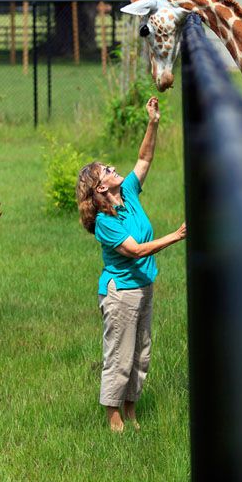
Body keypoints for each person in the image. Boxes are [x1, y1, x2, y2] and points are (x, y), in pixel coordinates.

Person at [75, 97, 186, 433]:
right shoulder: (105, 223)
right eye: (107, 170)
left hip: (143, 287)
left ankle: (131, 411)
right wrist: (177, 235)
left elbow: (144, 157)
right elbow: (136, 251)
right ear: (101, 187)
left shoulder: (129, 194)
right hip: (121, 293)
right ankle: (112, 418)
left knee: (141, 354)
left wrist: (152, 121)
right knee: (120, 357)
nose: (114, 169)